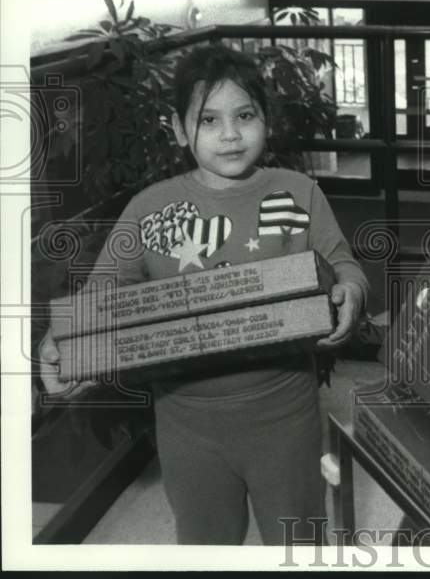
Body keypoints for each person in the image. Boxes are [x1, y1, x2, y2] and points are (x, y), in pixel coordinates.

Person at [38, 44, 368, 545]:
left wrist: (351, 289)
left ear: (267, 121)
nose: (230, 134)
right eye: (208, 120)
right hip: (186, 424)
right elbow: (104, 292)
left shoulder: (299, 192)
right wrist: (68, 344)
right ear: (178, 129)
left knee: (299, 541)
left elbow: (345, 263)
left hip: (286, 415)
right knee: (206, 546)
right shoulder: (149, 206)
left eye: (244, 115)